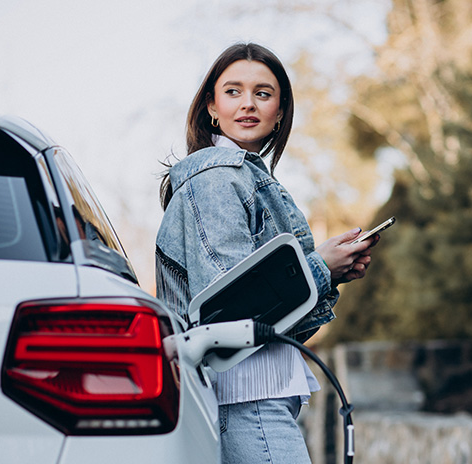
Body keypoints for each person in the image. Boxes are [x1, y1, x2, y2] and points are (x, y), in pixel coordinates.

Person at [155, 42, 377, 464]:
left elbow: (268, 317)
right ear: (211, 108)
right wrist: (319, 268)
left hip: (256, 396)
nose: (248, 104)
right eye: (233, 91)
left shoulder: (244, 178)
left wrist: (328, 274)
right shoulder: (218, 177)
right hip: (248, 398)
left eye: (263, 93)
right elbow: (230, 307)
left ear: (279, 113)